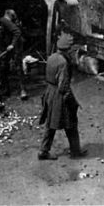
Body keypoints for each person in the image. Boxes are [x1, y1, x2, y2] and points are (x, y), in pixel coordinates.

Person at [38, 32, 87, 160]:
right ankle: (75, 151)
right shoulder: (63, 63)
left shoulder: (51, 57)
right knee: (71, 123)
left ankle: (43, 151)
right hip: (59, 95)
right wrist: (73, 102)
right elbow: (63, 86)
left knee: (50, 123)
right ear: (68, 49)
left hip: (49, 92)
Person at [0, 8, 28, 101]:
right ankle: (6, 90)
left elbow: (17, 32)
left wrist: (12, 45)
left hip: (15, 44)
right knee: (2, 67)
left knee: (17, 66)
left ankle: (22, 90)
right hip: (4, 47)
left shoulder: (4, 22)